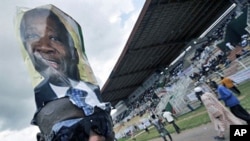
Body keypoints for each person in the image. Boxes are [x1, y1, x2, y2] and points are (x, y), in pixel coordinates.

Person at [17, 4, 114, 141]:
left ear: (75, 54)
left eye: (102, 125)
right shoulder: (44, 98)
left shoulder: (92, 91)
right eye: (69, 134)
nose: (96, 139)